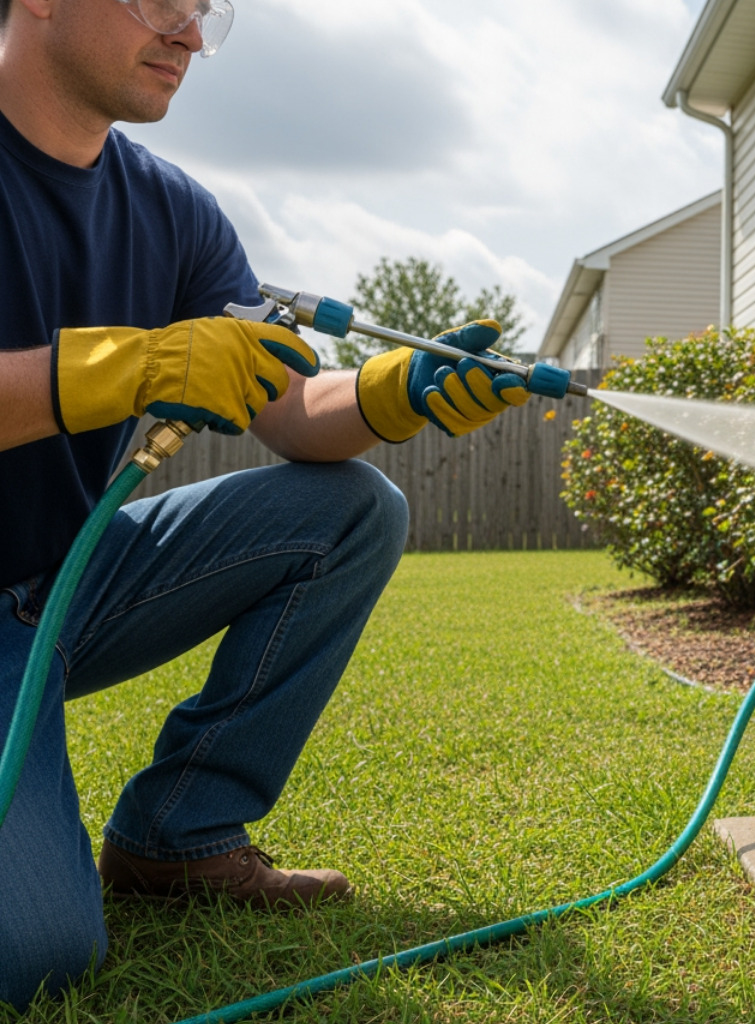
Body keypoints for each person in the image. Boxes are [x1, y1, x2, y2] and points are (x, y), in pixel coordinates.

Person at [0, 0, 532, 1008]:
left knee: (352, 510)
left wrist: (392, 392)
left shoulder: (172, 210)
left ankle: (178, 835)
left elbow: (289, 409)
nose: (190, 35)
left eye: (205, 10)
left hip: (67, 582)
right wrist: (123, 366)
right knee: (38, 952)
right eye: (162, 0)